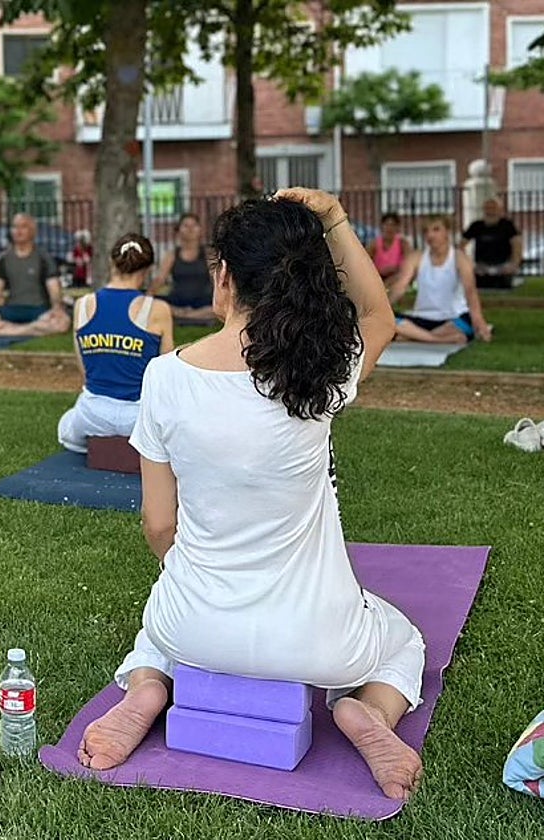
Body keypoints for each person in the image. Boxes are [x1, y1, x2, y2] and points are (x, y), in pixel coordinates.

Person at [77, 189, 427, 803]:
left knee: (157, 627)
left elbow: (159, 526)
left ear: (226, 276)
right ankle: (371, 712)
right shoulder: (322, 370)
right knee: (403, 639)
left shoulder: (165, 379)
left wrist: (201, 583)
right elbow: (378, 318)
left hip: (196, 629)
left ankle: (148, 688)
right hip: (321, 644)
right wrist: (333, 220)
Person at [58, 233, 174, 453]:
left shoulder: (82, 305)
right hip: (138, 418)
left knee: (65, 426)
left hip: (92, 415)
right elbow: (164, 375)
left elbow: (85, 373)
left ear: (112, 262)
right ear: (148, 269)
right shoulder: (158, 310)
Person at [388, 216, 493, 344]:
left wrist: (478, 319)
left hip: (453, 318)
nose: (430, 235)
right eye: (426, 231)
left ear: (447, 231)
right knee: (387, 321)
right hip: (422, 317)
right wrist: (383, 308)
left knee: (464, 323)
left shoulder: (460, 258)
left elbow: (470, 291)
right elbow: (400, 286)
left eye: (436, 229)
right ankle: (436, 339)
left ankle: (412, 336)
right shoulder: (416, 257)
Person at [0, 213, 70, 337]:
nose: (18, 231)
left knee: (62, 323)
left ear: (32, 231)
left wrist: (57, 307)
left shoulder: (44, 257)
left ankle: (9, 331)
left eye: (23, 227)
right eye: (15, 227)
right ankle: (28, 330)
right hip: (12, 309)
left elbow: (53, 288)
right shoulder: (3, 258)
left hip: (39, 310)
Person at [147, 213, 214, 322]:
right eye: (186, 226)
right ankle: (194, 316)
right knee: (157, 304)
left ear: (200, 230)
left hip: (203, 300)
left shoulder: (208, 255)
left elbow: (215, 278)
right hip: (178, 300)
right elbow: (160, 279)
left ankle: (187, 316)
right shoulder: (172, 255)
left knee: (215, 308)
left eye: (194, 225)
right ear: (178, 230)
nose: (190, 229)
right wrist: (148, 297)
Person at [461, 197, 522, 289]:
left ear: (500, 210)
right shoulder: (476, 226)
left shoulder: (508, 225)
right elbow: (461, 245)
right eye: (488, 208)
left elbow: (517, 245)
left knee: (503, 286)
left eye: (493, 208)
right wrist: (468, 265)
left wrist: (514, 264)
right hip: (482, 266)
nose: (490, 211)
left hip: (503, 266)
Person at [368, 212, 408, 283]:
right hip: (378, 279)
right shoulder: (374, 244)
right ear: (382, 226)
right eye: (386, 224)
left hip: (396, 279)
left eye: (392, 225)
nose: (389, 228)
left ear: (397, 227)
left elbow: (409, 262)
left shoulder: (402, 243)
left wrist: (395, 269)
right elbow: (365, 262)